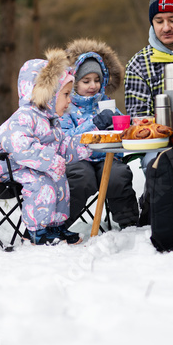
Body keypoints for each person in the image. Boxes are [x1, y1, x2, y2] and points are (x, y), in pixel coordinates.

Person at [0, 48, 90, 245]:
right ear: (49, 94)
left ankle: (55, 226)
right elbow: (20, 148)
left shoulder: (50, 120)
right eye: (66, 95)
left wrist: (87, 144)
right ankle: (37, 231)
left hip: (28, 164)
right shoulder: (24, 117)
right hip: (3, 166)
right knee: (42, 183)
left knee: (59, 177)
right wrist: (50, 160)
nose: (69, 101)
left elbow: (63, 148)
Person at [60, 38, 140, 229]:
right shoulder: (66, 107)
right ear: (74, 82)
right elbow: (65, 138)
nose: (93, 85)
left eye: (97, 80)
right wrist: (94, 124)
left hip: (107, 156)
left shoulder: (105, 103)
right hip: (79, 158)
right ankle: (61, 224)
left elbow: (123, 126)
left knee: (118, 175)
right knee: (80, 179)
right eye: (86, 81)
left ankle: (128, 221)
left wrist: (129, 125)